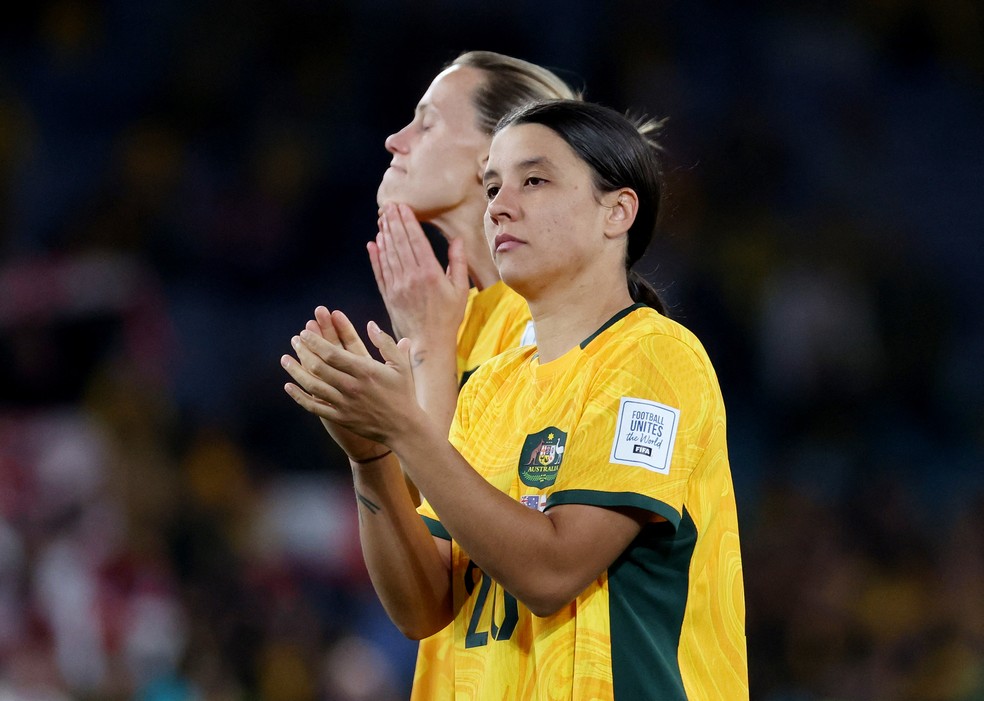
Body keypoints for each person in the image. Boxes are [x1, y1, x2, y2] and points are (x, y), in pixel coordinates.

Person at [281, 100, 748, 699]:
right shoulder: (489, 389)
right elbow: (423, 610)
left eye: (535, 180)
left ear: (617, 211)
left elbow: (552, 572)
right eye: (493, 185)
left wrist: (405, 430)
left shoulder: (654, 356)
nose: (498, 206)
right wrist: (370, 458)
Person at [358, 51, 578, 699]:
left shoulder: (563, 318)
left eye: (426, 123)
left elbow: (532, 551)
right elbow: (422, 599)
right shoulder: (453, 325)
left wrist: (428, 357)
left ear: (497, 155)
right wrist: (366, 449)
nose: (395, 140)